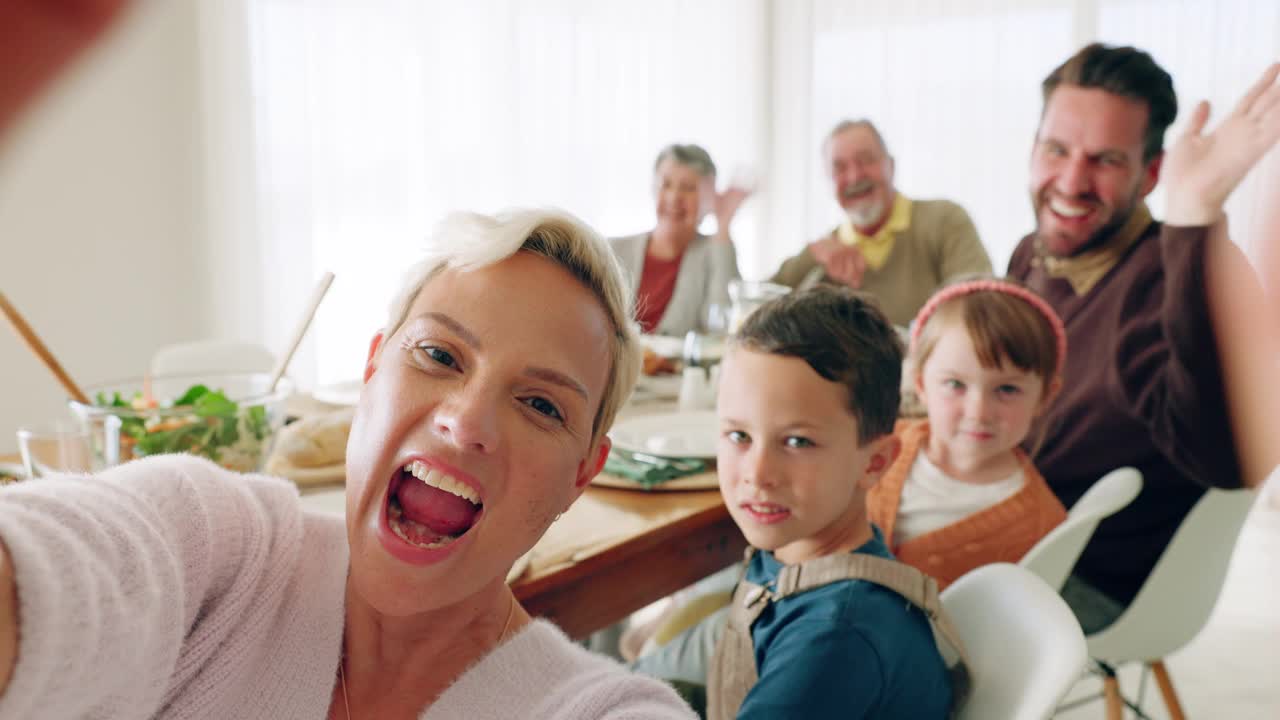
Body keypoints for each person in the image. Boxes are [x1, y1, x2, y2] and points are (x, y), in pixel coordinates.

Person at [0, 208, 697, 719]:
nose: (466, 422)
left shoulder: (589, 710)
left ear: (583, 473)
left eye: (543, 406)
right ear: (371, 371)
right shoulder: (221, 550)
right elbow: (74, 558)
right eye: (440, 355)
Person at [1006, 42, 1280, 633]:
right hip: (1003, 520)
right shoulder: (1032, 255)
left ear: (1151, 173)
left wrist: (1193, 215)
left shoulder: (1185, 274)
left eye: (1105, 160)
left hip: (1081, 573)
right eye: (1056, 150)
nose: (1071, 182)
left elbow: (1230, 460)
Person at [637, 286, 954, 719]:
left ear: (874, 462)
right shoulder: (791, 551)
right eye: (739, 435)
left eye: (797, 441)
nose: (758, 472)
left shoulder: (836, 637)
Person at [867, 279, 1068, 589]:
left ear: (1044, 396)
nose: (978, 412)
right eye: (954, 385)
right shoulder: (872, 445)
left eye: (1007, 389)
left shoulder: (1042, 526)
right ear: (921, 384)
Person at [769, 119, 992, 327]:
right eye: (839, 168)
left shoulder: (943, 220)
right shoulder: (819, 256)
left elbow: (979, 306)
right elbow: (755, 310)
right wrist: (810, 258)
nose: (855, 177)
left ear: (891, 166)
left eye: (866, 160)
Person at [611, 144, 750, 335]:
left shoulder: (716, 252)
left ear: (707, 197)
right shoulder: (612, 250)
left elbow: (722, 328)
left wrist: (723, 224)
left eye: (688, 188)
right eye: (665, 184)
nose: (674, 197)